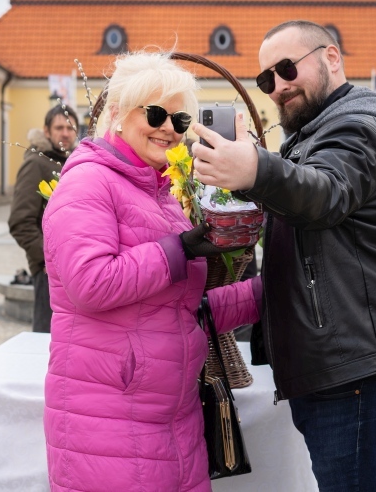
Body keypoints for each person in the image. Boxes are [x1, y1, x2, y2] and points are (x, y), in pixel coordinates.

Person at [192, 20, 376, 491]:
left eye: (287, 69)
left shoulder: (357, 128)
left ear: (331, 58)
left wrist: (255, 169)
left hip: (364, 372)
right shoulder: (311, 137)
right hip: (350, 367)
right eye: (266, 80)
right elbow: (309, 265)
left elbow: (324, 195)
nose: (278, 87)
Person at [41, 51, 261, 491]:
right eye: (156, 113)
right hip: (110, 420)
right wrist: (178, 248)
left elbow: (181, 309)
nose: (168, 129)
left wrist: (268, 291)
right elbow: (91, 283)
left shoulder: (157, 191)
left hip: (171, 417)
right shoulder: (88, 182)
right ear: (118, 113)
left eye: (179, 121)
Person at [8, 104, 79, 332]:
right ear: (46, 131)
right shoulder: (36, 164)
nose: (65, 133)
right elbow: (20, 222)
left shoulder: (76, 162)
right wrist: (49, 259)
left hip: (78, 269)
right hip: (49, 272)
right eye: (59, 127)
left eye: (70, 128)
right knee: (47, 340)